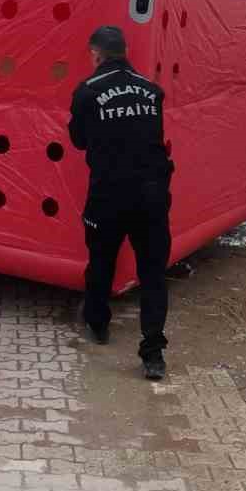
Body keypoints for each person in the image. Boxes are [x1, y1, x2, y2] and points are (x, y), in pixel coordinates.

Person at [67, 26, 174, 381]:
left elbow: (79, 141)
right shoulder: (152, 90)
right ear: (125, 51)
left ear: (95, 55)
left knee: (101, 261)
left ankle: (98, 324)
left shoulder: (87, 91)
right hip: (152, 193)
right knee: (153, 274)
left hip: (109, 193)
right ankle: (153, 354)